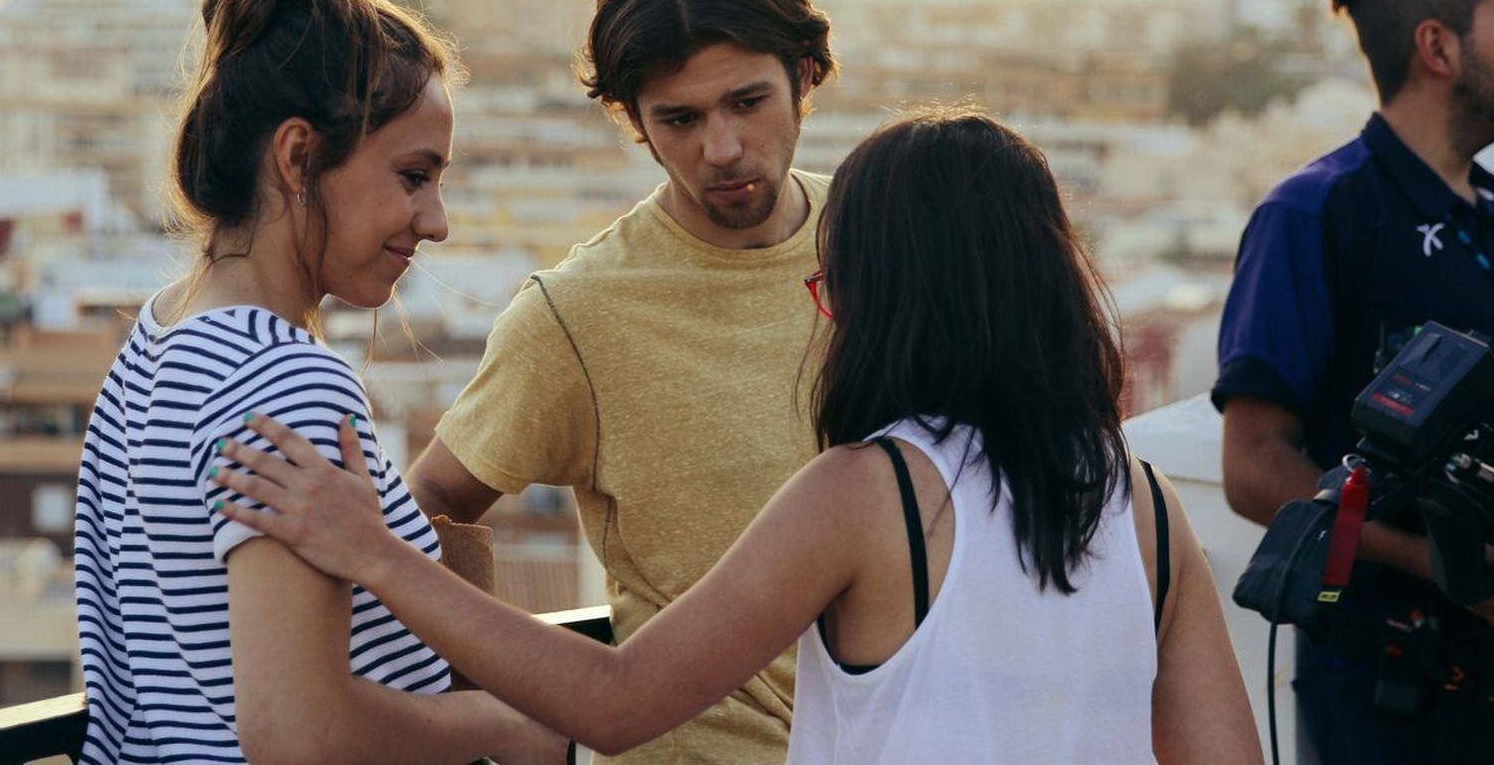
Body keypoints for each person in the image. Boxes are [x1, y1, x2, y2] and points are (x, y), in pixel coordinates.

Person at [215, 106, 1262, 763]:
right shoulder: (1142, 502)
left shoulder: (868, 492)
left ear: (882, 294)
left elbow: (617, 702)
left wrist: (373, 552)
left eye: (829, 280)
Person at [71, 0, 565, 765]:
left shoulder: (154, 340)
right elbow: (299, 733)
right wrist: (508, 726)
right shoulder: (284, 378)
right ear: (298, 158)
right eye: (413, 176)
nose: (436, 221)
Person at [403, 0, 836, 762]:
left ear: (806, 74)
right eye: (679, 118)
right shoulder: (576, 313)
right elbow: (430, 508)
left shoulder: (884, 243)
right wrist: (490, 718)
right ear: (633, 120)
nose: (721, 148)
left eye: (748, 102)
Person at [1215, 0, 1494, 761]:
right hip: (1386, 695)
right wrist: (1443, 565)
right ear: (1437, 47)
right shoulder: (1315, 213)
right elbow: (1254, 466)